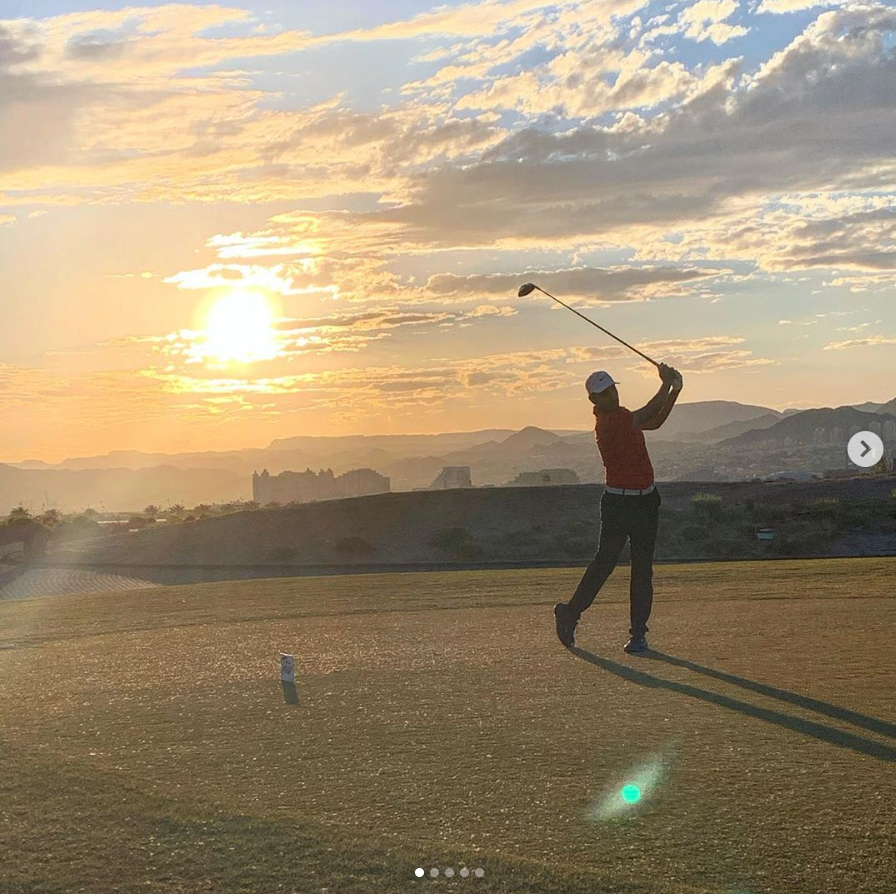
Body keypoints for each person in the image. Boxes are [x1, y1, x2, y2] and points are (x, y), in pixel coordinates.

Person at [554, 363, 683, 653]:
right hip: (619, 503)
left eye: (612, 390)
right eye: (605, 393)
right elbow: (649, 411)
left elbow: (655, 422)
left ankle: (638, 634)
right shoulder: (610, 423)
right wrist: (665, 383)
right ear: (594, 400)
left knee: (642, 569)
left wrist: (675, 390)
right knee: (605, 564)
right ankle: (570, 613)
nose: (612, 395)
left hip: (646, 500)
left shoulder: (623, 416)